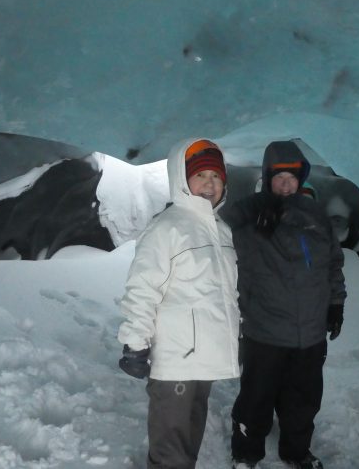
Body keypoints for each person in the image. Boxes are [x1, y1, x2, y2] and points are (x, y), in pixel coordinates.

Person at [117, 138, 240, 469]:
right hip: (175, 363)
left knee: (187, 445)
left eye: (216, 177)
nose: (209, 184)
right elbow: (143, 288)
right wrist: (135, 343)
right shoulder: (167, 228)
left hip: (204, 360)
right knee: (171, 450)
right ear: (181, 180)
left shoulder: (222, 231)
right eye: (201, 176)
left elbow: (226, 293)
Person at [223, 140, 347, 469]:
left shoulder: (315, 215)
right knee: (256, 398)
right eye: (279, 177)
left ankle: (297, 452)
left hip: (310, 332)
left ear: (301, 178)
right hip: (264, 330)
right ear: (267, 177)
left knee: (303, 400)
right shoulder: (248, 212)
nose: (286, 183)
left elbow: (333, 262)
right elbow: (212, 231)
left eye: (292, 177)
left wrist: (336, 303)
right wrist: (253, 212)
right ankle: (246, 453)